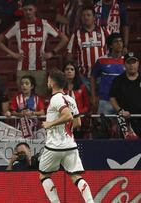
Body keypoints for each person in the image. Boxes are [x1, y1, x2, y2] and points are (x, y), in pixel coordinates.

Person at [39, 69, 94, 203]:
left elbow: (68, 115)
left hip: (54, 146)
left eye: (48, 79)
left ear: (52, 82)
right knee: (75, 176)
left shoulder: (55, 99)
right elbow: (77, 122)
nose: (47, 81)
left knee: (44, 175)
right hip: (70, 145)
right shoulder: (70, 99)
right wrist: (64, 127)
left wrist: (50, 124)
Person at [0, 0, 68, 96]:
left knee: (40, 99)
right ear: (22, 11)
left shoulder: (44, 24)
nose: (28, 12)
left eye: (30, 9)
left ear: (35, 10)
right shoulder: (17, 25)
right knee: (23, 100)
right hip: (22, 69)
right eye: (25, 10)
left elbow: (64, 39)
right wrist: (13, 54)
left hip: (40, 68)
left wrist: (52, 53)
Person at [67, 5, 109, 91]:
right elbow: (69, 54)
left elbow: (113, 47)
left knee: (101, 102)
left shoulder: (103, 31)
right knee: (87, 102)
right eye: (84, 15)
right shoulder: (76, 34)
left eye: (88, 15)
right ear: (81, 18)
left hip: (102, 75)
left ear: (94, 17)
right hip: (84, 77)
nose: (86, 17)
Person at [90, 33, 125, 115]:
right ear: (110, 46)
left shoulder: (127, 60)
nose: (119, 44)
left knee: (123, 127)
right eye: (116, 42)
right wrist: (93, 95)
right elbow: (92, 76)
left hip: (122, 100)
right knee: (103, 126)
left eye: (121, 41)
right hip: (105, 100)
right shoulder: (101, 60)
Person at [110, 52, 141, 138]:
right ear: (124, 65)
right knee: (127, 148)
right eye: (129, 63)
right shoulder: (118, 80)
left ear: (138, 63)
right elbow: (112, 98)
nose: (131, 65)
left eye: (134, 62)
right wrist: (120, 110)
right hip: (125, 121)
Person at [63, 61, 90, 138]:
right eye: (67, 69)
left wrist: (77, 114)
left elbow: (87, 106)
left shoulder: (82, 87)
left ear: (75, 72)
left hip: (78, 121)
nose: (69, 71)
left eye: (72, 69)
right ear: (63, 72)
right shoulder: (59, 88)